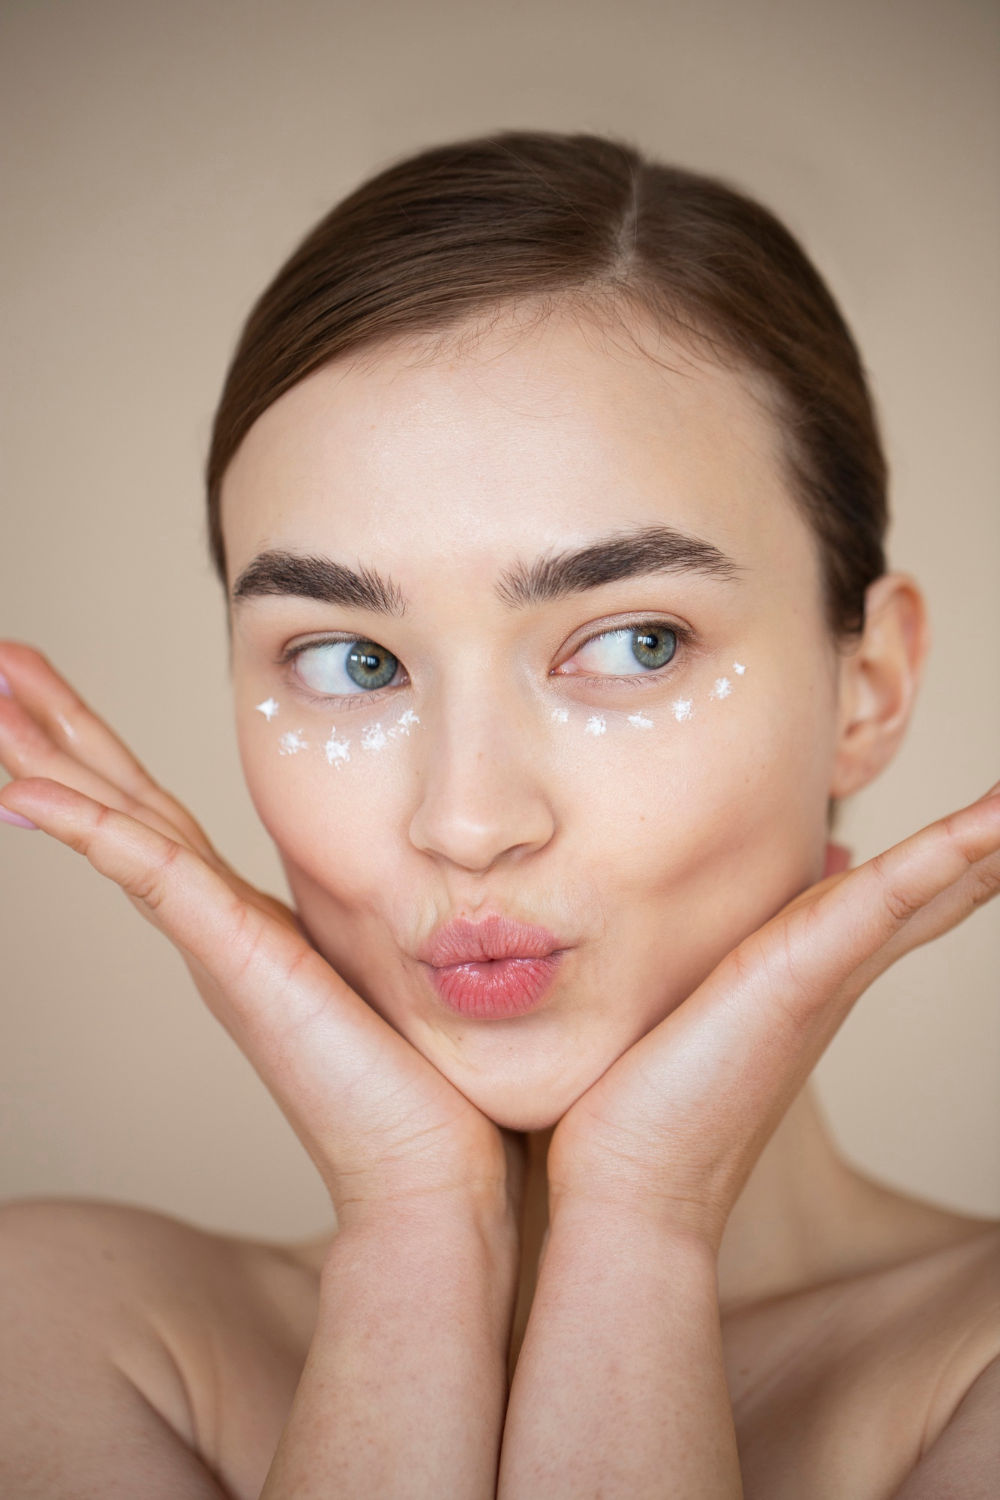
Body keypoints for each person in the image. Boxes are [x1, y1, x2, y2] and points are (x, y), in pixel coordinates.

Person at [0, 129, 997, 1498]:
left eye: (636, 642)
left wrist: (645, 1231)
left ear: (867, 687)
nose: (468, 822)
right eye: (352, 660)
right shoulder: (48, 1336)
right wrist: (417, 1228)